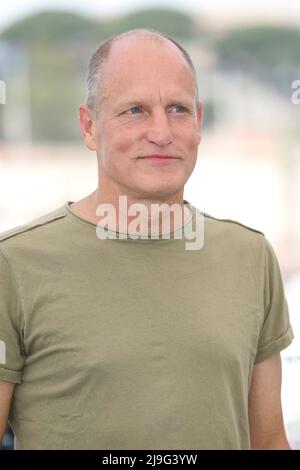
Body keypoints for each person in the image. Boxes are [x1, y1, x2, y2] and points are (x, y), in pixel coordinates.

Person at [0, 28, 294, 450]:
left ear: (199, 123)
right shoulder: (14, 265)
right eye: (135, 110)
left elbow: (269, 442)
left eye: (178, 109)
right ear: (89, 126)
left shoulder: (250, 256)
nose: (161, 132)